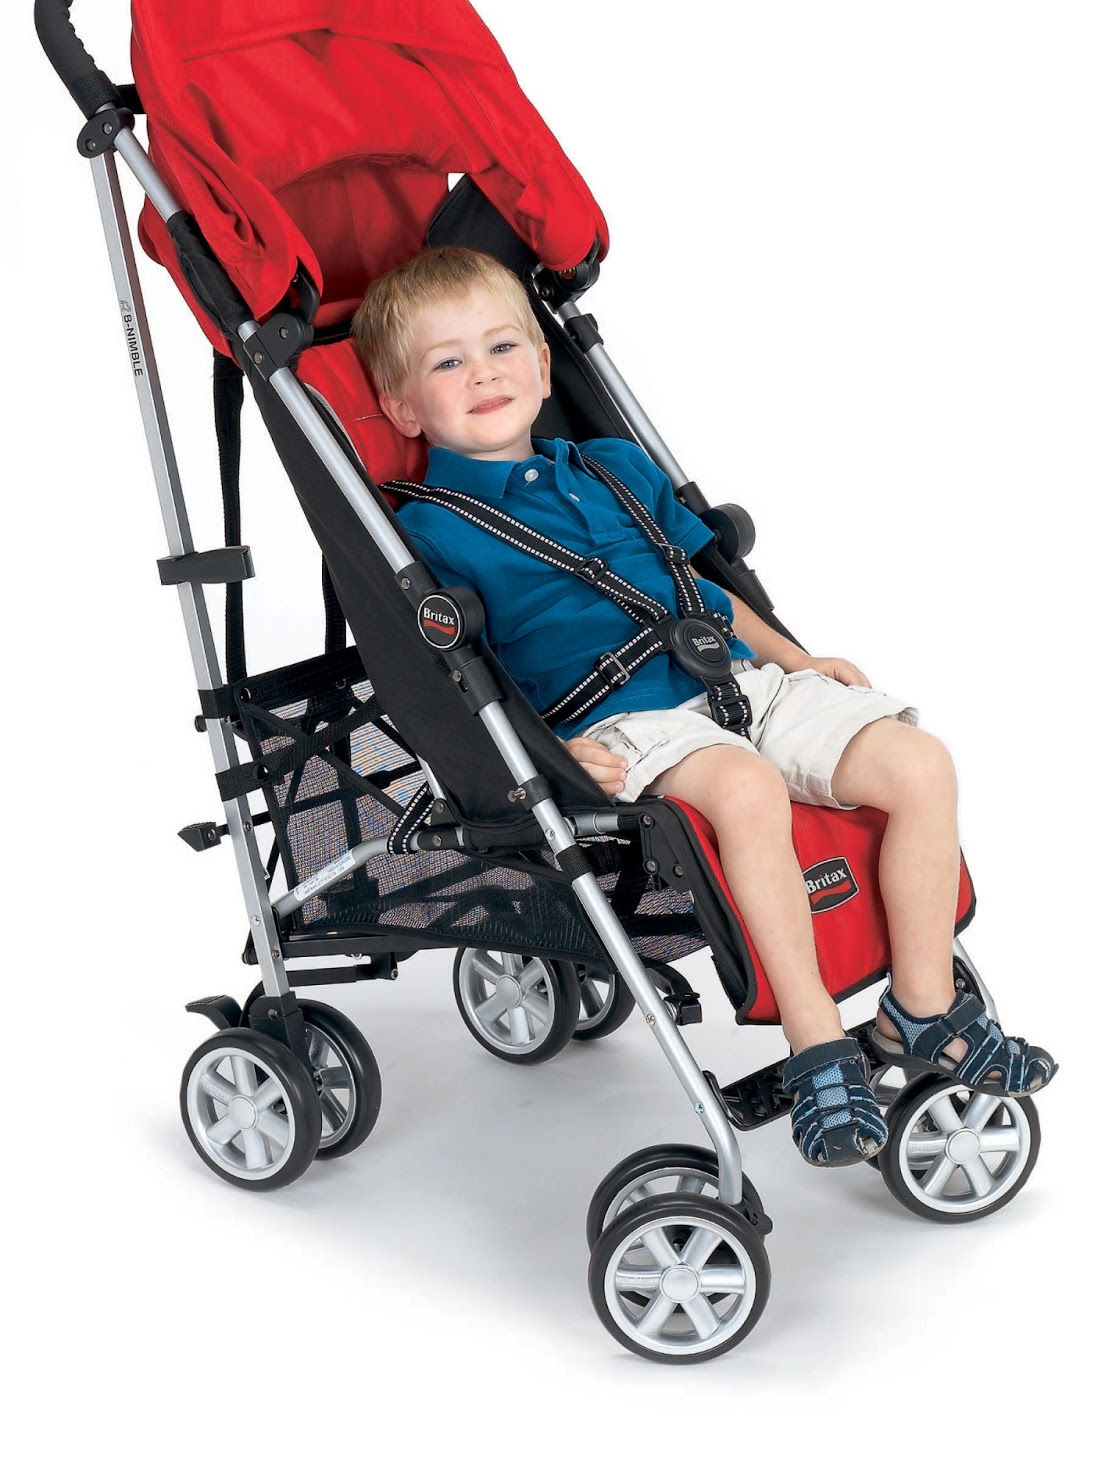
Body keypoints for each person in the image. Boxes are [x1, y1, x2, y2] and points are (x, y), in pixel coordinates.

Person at [351, 246, 1056, 1167]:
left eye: (502, 346)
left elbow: (704, 589)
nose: (483, 372)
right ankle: (816, 1042)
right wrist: (550, 753)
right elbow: (461, 673)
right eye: (448, 362)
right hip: (625, 726)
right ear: (405, 408)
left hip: (736, 684)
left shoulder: (615, 467)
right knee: (746, 786)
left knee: (919, 762)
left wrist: (795, 658)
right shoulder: (427, 528)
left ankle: (923, 1009)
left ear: (544, 365)